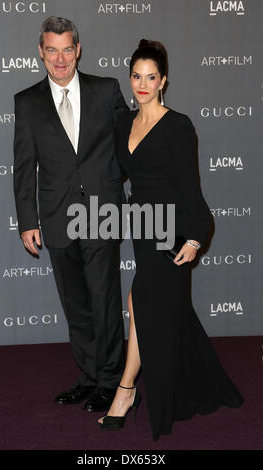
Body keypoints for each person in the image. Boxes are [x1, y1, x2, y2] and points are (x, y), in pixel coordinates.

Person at [98, 39, 244, 440]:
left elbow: (191, 189)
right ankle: (195, 378)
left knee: (139, 300)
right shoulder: (124, 122)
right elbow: (114, 171)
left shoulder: (178, 125)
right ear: (130, 80)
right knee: (159, 310)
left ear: (163, 81)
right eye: (136, 77)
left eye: (151, 77)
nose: (142, 84)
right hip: (143, 227)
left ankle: (125, 392)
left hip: (173, 230)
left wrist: (196, 238)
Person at [13, 16, 129, 412]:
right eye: (51, 50)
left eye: (67, 49)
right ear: (41, 53)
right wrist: (28, 220)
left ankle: (113, 382)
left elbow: (128, 146)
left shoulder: (106, 90)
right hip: (57, 214)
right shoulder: (26, 102)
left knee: (105, 301)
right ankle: (90, 377)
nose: (60, 58)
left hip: (103, 211)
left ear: (78, 50)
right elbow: (24, 165)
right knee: (76, 305)